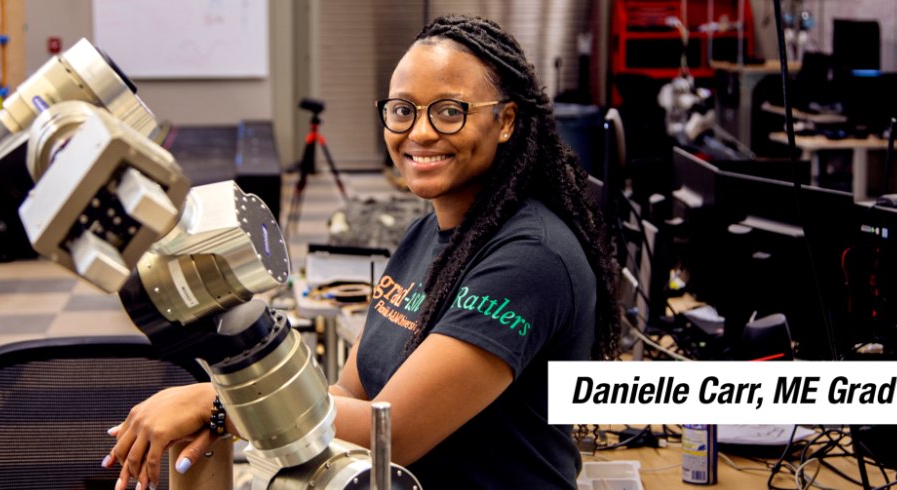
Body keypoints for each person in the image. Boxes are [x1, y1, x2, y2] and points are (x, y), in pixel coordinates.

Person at [103, 15, 621, 490]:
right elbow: (351, 395)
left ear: (506, 121)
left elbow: (392, 430)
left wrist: (218, 406)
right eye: (403, 110)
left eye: (448, 111)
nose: (419, 132)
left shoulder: (531, 258)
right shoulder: (428, 234)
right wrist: (243, 405)